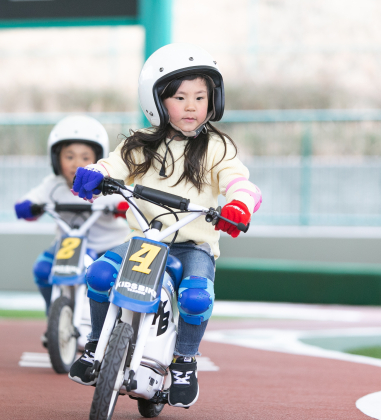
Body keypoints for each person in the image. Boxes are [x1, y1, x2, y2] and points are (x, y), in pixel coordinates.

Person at [68, 44, 262, 407]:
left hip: (193, 245)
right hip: (145, 239)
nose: (191, 106)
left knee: (196, 297)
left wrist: (239, 204)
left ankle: (185, 359)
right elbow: (113, 166)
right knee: (98, 275)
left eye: (201, 97)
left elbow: (240, 181)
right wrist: (94, 174)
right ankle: (96, 344)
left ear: (213, 101)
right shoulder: (138, 145)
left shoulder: (217, 148)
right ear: (156, 101)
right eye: (180, 97)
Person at [14, 115, 130, 346]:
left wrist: (121, 208)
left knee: (102, 276)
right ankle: (55, 317)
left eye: (85, 157)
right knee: (43, 268)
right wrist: (27, 207)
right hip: (69, 244)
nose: (76, 163)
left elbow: (125, 201)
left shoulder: (105, 186)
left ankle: (103, 324)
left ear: (97, 159)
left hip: (106, 245)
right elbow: (29, 202)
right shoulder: (53, 185)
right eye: (69, 157)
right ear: (56, 159)